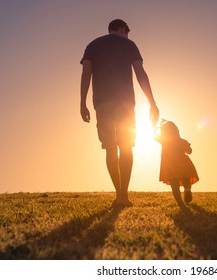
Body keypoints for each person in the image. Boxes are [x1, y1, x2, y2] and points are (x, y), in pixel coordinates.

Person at [80, 19, 159, 207]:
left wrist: (82, 103)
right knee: (126, 147)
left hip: (102, 103)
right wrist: (152, 102)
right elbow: (141, 73)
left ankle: (118, 195)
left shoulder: (93, 45)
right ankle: (124, 194)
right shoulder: (129, 44)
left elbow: (86, 74)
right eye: (127, 32)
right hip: (125, 102)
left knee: (109, 148)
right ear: (123, 29)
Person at [155, 119, 199, 206]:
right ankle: (187, 190)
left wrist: (154, 127)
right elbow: (189, 151)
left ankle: (180, 203)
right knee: (186, 181)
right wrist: (188, 146)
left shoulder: (164, 140)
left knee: (174, 185)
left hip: (170, 166)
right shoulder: (181, 140)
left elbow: (154, 136)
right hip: (183, 164)